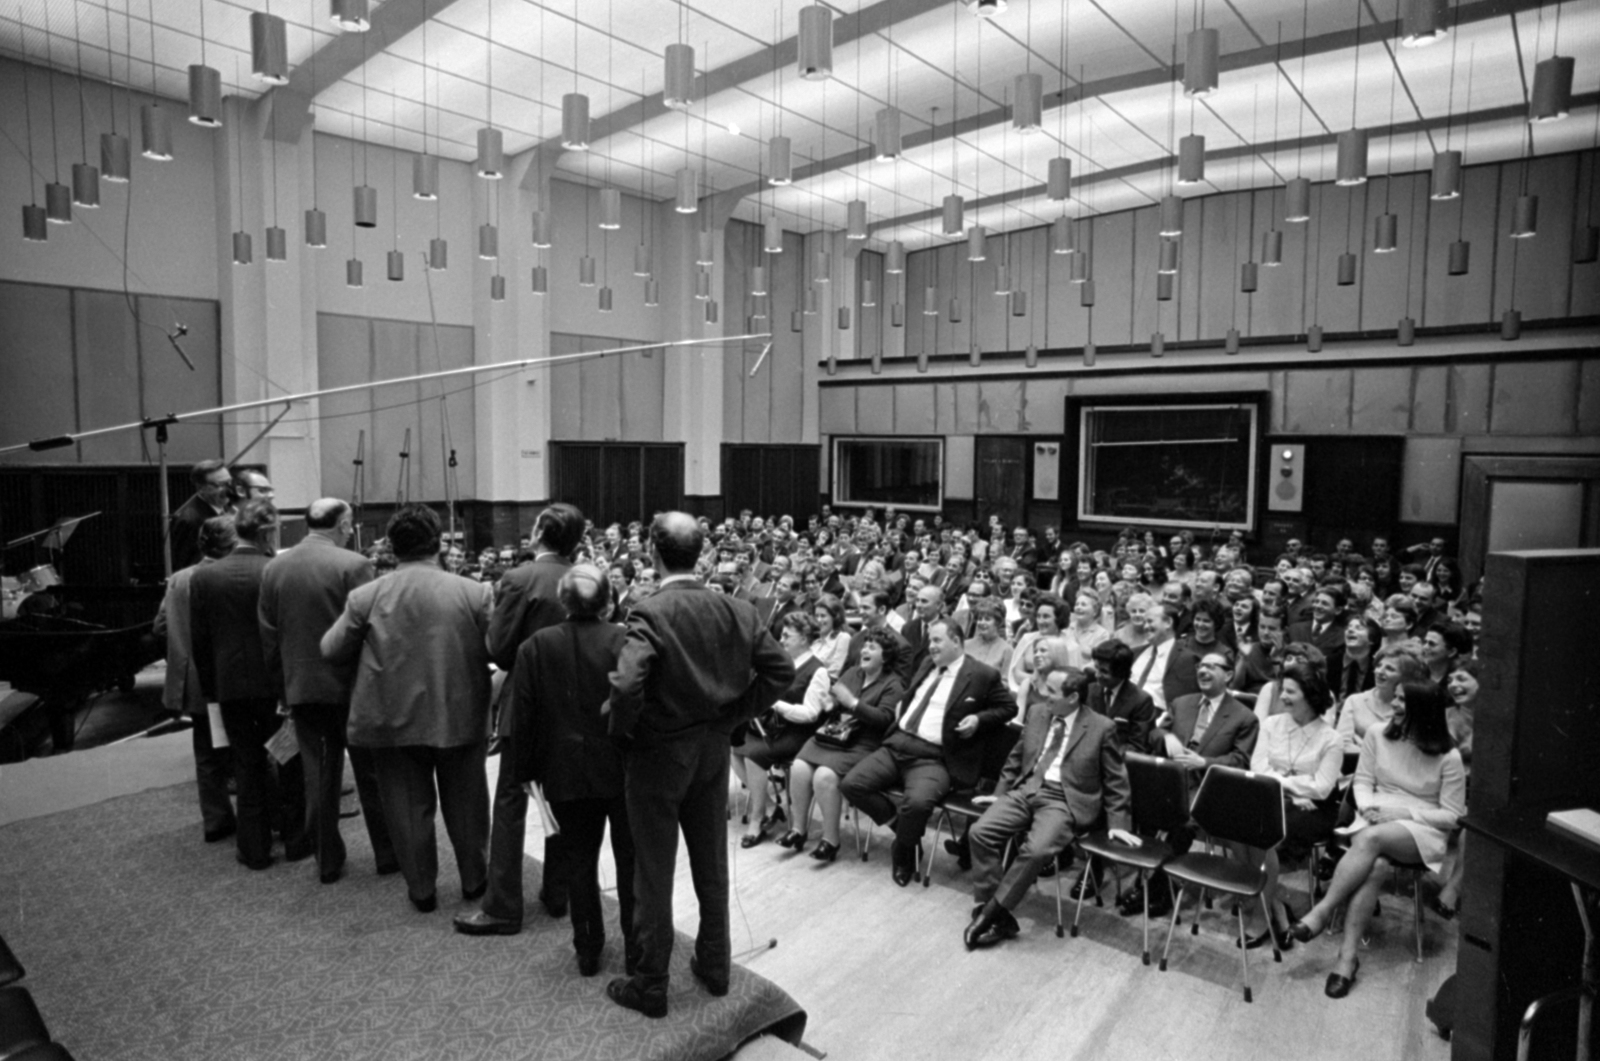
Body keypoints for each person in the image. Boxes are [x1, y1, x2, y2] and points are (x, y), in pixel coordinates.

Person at [605, 512, 793, 1019]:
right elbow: (782, 671)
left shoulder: (649, 610)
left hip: (658, 756)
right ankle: (715, 966)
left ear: (652, 551)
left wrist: (625, 732)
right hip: (711, 752)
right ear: (701, 553)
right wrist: (733, 712)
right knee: (711, 866)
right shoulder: (737, 609)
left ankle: (651, 982)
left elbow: (625, 686)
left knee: (653, 872)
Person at [321, 503, 495, 913]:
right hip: (459, 714)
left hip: (390, 717)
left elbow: (330, 649)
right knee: (467, 805)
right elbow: (499, 649)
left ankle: (422, 890)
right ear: (439, 545)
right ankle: (474, 881)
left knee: (405, 807)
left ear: (392, 549)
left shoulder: (366, 596)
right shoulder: (474, 592)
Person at [1292, 682, 1466, 999]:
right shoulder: (1377, 734)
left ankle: (1322, 910)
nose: (1394, 705)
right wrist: (1370, 807)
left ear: (1423, 710)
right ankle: (1346, 960)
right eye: (1395, 697)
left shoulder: (1448, 756)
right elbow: (1362, 782)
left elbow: (1453, 816)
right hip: (1374, 817)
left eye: (1402, 700)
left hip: (1421, 830)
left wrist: (1403, 813)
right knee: (1377, 866)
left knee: (1372, 841)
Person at [503, 564, 635, 977]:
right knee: (631, 862)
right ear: (608, 600)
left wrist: (524, 772)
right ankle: (636, 949)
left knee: (579, 861)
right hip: (623, 767)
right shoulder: (627, 640)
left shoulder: (536, 646)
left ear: (564, 600)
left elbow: (522, 717)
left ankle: (589, 949)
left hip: (563, 770)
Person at [461, 503, 585, 936]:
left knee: (511, 804)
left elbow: (497, 648)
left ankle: (502, 907)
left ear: (538, 534)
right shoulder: (588, 578)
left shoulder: (520, 578)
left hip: (527, 701)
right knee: (563, 801)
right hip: (574, 705)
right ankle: (558, 895)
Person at [258, 497, 395, 884]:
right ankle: (387, 855)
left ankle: (327, 862)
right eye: (350, 523)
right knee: (371, 775)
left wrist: (282, 688)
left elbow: (268, 636)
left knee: (318, 776)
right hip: (354, 689)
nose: (351, 529)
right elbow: (373, 630)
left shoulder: (275, 567)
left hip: (302, 689)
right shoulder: (354, 565)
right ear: (343, 524)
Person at [963, 666, 1137, 949]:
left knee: (1036, 850)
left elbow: (1117, 780)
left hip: (1064, 799)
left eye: (1052, 691)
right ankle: (995, 909)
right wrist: (1000, 793)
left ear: (1073, 697)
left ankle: (990, 914)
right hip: (1027, 789)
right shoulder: (1037, 713)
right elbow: (1017, 757)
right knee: (980, 832)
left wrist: (1118, 824)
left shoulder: (1101, 727)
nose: (1044, 695)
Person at [839, 619, 1018, 887]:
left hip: (934, 757)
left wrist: (979, 719)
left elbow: (1008, 708)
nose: (930, 646)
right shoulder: (927, 665)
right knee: (852, 784)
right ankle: (904, 832)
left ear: (956, 641)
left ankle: (904, 854)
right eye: (930, 640)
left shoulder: (982, 675)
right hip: (897, 744)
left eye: (937, 641)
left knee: (919, 803)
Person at [190, 501, 295, 870]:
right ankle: (296, 840)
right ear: (267, 532)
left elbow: (198, 641)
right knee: (287, 760)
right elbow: (286, 634)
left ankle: (254, 849)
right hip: (275, 687)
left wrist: (211, 691)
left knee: (246, 765)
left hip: (228, 687)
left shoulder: (203, 577)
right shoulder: (277, 570)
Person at [1119, 649, 1257, 919]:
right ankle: (1152, 882)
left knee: (1183, 821)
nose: (1203, 671)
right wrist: (1166, 737)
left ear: (1228, 675)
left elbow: (1240, 760)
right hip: (1171, 778)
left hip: (1208, 786)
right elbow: (1155, 731)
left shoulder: (1244, 717)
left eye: (1212, 667)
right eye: (1201, 667)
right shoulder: (1182, 702)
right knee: (1139, 806)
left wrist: (1204, 762)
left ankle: (1154, 888)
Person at [1243, 662, 1343, 950]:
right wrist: (1294, 785)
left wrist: (1281, 782)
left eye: (1290, 691)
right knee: (1238, 824)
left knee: (1262, 834)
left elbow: (1323, 788)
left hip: (1314, 811)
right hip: (1272, 799)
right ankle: (1275, 907)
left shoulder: (1330, 739)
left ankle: (1263, 914)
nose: (1282, 696)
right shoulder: (1272, 724)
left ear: (1310, 695)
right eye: (1282, 690)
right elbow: (1257, 767)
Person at [785, 630, 906, 862]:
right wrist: (829, 703)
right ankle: (798, 830)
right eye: (865, 646)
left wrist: (852, 702)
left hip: (864, 743)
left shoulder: (893, 685)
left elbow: (884, 719)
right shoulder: (853, 672)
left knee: (824, 776)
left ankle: (830, 841)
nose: (864, 650)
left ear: (886, 656)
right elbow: (834, 699)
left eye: (872, 647)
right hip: (835, 735)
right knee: (799, 767)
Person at [153, 514, 238, 843]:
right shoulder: (228, 578)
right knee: (248, 749)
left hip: (191, 682)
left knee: (206, 754)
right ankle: (265, 819)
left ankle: (216, 821)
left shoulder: (179, 578)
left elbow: (159, 627)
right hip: (227, 679)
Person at [733, 612, 830, 847]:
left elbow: (810, 714)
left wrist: (776, 703)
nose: (782, 640)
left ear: (805, 638)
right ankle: (768, 805)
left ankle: (757, 819)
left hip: (800, 734)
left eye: (788, 635)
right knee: (734, 743)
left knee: (754, 754)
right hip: (774, 728)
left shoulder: (818, 670)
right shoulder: (783, 663)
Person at [1336, 643, 1427, 753]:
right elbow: (1342, 745)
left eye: (1390, 669)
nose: (1379, 672)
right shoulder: (1355, 700)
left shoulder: (1410, 705)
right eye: (1379, 666)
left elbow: (1408, 750)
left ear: (1406, 676)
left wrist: (1364, 746)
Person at [169, 458, 236, 572]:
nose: (229, 489)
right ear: (201, 488)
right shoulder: (190, 520)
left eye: (229, 482)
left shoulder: (226, 507)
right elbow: (186, 566)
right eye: (221, 484)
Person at [962, 599, 1012, 676]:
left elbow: (1005, 681)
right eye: (980, 619)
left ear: (998, 622)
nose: (982, 622)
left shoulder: (1007, 650)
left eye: (987, 619)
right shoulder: (966, 645)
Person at [810, 593, 851, 680]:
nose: (818, 620)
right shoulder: (815, 642)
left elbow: (834, 674)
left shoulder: (842, 638)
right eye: (816, 616)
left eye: (823, 616)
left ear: (835, 617)